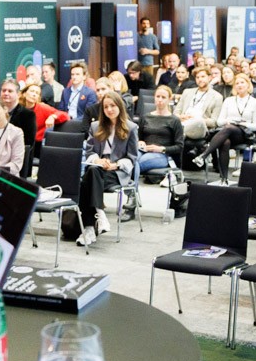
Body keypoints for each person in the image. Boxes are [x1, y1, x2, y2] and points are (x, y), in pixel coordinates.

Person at [77, 92, 139, 247]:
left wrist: (115, 165)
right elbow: (89, 152)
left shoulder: (131, 128)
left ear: (120, 106)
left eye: (112, 106)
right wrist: (97, 160)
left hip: (116, 172)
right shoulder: (95, 126)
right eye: (106, 107)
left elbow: (132, 158)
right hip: (98, 168)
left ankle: (90, 227)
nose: (109, 109)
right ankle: (99, 215)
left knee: (85, 183)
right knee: (93, 172)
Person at [192, 74, 256, 184]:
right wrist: (229, 121)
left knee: (229, 128)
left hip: (245, 134)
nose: (239, 85)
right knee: (225, 142)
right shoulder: (229, 100)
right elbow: (219, 121)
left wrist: (242, 123)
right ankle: (224, 179)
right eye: (237, 83)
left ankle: (204, 155)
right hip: (227, 133)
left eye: (242, 83)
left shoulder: (255, 102)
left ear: (248, 85)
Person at [138, 85, 185, 175]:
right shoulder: (145, 117)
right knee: (131, 160)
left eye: (163, 97)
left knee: (137, 163)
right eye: (158, 96)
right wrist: (139, 142)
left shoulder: (174, 120)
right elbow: (138, 137)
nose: (160, 100)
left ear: (169, 99)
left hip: (162, 154)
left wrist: (161, 149)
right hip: (144, 150)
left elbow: (179, 146)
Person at [0, 78, 37, 151]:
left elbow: (28, 143)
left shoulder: (28, 115)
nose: (6, 93)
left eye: (10, 91)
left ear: (18, 94)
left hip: (17, 154)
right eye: (3, 90)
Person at [176, 66, 224, 140]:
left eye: (203, 77)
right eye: (197, 77)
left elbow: (214, 122)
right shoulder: (187, 92)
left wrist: (196, 119)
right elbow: (176, 112)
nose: (200, 79)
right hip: (183, 122)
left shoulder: (217, 97)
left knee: (196, 124)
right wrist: (181, 117)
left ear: (209, 78)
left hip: (200, 126)